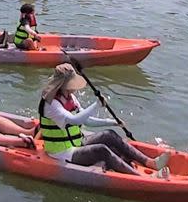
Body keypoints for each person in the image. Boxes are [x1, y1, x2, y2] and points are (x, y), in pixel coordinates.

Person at [38, 63, 170, 176]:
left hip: (76, 143)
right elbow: (74, 120)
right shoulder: (51, 104)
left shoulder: (70, 98)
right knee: (101, 150)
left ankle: (150, 162)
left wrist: (112, 122)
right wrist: (96, 105)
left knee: (109, 135)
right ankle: (141, 177)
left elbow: (86, 120)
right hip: (62, 153)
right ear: (63, 85)